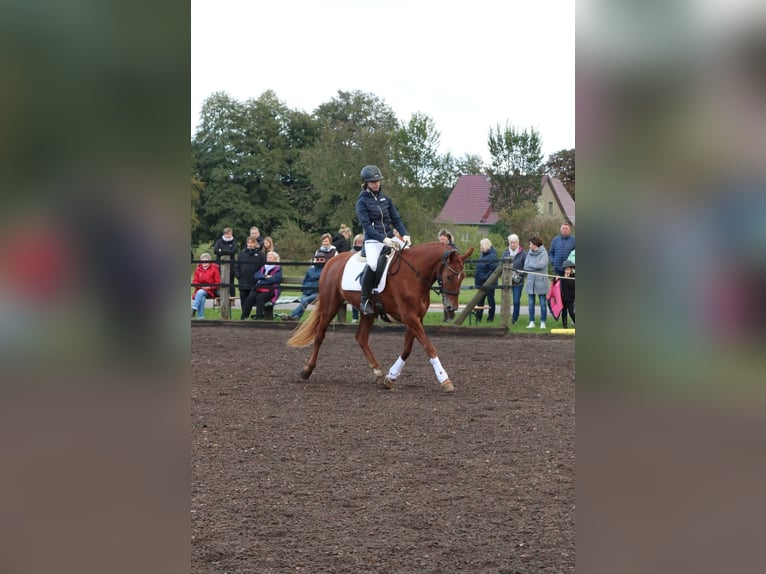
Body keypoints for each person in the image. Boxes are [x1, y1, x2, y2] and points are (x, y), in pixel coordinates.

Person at [355, 164, 410, 316]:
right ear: (366, 183)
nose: (376, 183)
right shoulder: (362, 202)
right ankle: (364, 299)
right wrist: (382, 239)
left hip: (391, 237)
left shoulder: (386, 199)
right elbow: (367, 226)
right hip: (373, 240)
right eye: (373, 182)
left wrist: (405, 234)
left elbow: (396, 219)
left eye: (378, 181)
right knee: (373, 264)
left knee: (409, 256)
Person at [235, 236, 266, 320]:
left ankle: (257, 316)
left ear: (255, 243)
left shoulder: (260, 255)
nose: (250, 244)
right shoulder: (242, 254)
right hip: (243, 281)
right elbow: (237, 266)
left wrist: (258, 277)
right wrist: (239, 276)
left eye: (252, 242)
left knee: (252, 299)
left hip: (254, 282)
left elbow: (262, 268)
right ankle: (244, 317)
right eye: (249, 242)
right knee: (243, 299)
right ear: (247, 243)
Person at [524, 236, 550, 329]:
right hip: (531, 282)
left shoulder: (544, 253)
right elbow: (525, 266)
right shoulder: (529, 253)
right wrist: (533, 266)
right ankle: (532, 322)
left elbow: (541, 265)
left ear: (535, 244)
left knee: (543, 304)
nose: (529, 245)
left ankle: (543, 322)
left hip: (541, 282)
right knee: (531, 303)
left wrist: (531, 265)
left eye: (530, 244)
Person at [502, 233, 527, 325]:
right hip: (507, 281)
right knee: (506, 300)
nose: (512, 244)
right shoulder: (505, 253)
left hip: (518, 281)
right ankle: (505, 316)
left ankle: (514, 318)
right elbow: (501, 265)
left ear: (517, 243)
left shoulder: (523, 253)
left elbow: (526, 266)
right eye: (511, 243)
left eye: (514, 242)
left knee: (516, 301)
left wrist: (520, 273)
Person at [250, 251, 282, 320]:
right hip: (261, 289)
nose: (268, 259)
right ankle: (245, 317)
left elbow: (275, 279)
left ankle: (259, 317)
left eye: (270, 257)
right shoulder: (263, 267)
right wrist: (265, 276)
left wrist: (262, 280)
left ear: (275, 259)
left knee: (260, 297)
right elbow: (256, 275)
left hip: (272, 290)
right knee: (251, 297)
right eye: (268, 257)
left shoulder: (278, 268)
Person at [474, 238, 499, 322]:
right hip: (481, 282)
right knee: (480, 300)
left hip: (490, 282)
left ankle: (490, 318)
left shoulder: (492, 256)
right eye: (480, 245)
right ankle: (478, 317)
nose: (481, 247)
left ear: (487, 245)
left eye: (482, 245)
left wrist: (484, 277)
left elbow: (493, 271)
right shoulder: (482, 255)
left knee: (490, 300)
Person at [191, 253, 220, 319]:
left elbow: (217, 283)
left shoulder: (214, 270)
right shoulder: (198, 270)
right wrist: (201, 287)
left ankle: (193, 309)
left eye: (206, 260)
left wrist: (209, 287)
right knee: (202, 297)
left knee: (200, 292)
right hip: (200, 290)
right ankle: (200, 317)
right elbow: (195, 282)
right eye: (202, 260)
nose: (204, 262)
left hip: (210, 291)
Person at [213, 227, 238, 297]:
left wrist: (223, 250)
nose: (229, 235)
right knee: (220, 281)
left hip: (231, 265)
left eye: (230, 233)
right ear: (224, 234)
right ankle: (220, 297)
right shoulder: (219, 241)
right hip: (220, 265)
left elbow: (233, 251)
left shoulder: (234, 242)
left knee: (231, 282)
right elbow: (215, 251)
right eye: (227, 234)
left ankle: (232, 297)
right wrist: (227, 251)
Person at [350, 233, 364, 323]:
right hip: (353, 276)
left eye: (361, 241)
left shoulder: (367, 251)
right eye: (357, 241)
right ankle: (355, 317)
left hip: (363, 275)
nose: (359, 243)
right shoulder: (351, 252)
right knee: (354, 297)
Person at [559, 260, 575, 328]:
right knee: (564, 312)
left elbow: (571, 286)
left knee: (571, 312)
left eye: (568, 269)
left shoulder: (574, 277)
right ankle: (564, 326)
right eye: (565, 269)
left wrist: (567, 278)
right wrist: (556, 279)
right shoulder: (562, 276)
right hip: (563, 297)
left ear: (571, 269)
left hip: (570, 298)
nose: (567, 271)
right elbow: (559, 284)